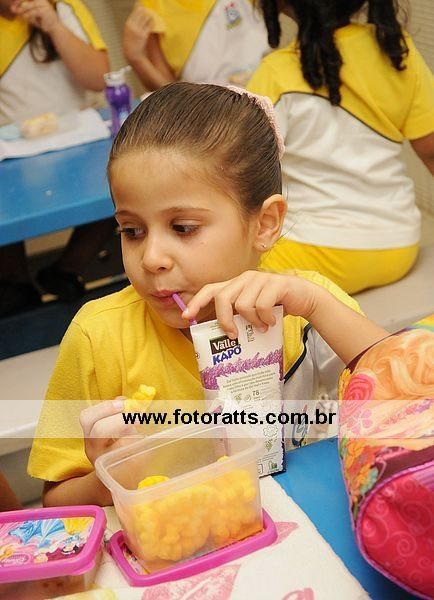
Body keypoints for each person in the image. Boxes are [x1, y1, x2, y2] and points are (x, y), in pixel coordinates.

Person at [27, 82, 388, 507]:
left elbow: (411, 390)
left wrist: (315, 305)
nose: (152, 258)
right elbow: (56, 502)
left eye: (183, 228)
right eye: (132, 231)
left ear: (264, 224)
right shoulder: (98, 337)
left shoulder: (307, 308)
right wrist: (109, 479)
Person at [247, 0, 434, 294]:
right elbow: (431, 152)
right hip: (398, 247)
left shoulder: (275, 72)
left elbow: (241, 167)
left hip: (311, 253)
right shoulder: (397, 50)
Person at [0, 0, 115, 315]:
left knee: (119, 182)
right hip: (12, 152)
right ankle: (16, 286)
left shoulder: (63, 7)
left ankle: (67, 268)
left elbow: (99, 78)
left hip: (81, 139)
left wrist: (53, 25)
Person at [122, 0, 270, 90]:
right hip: (210, 108)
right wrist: (136, 58)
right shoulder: (152, 6)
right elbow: (168, 90)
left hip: (266, 86)